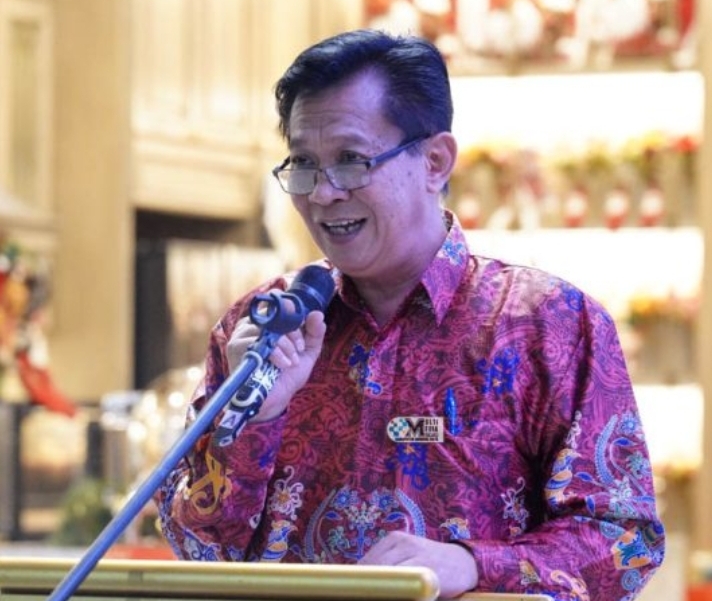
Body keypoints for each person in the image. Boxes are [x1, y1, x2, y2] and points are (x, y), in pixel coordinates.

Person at [155, 29, 665, 600]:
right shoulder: (263, 328)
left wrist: (472, 565)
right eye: (303, 164)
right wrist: (258, 416)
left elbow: (625, 540)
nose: (322, 194)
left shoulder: (549, 325)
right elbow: (198, 549)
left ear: (435, 161)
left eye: (350, 161)